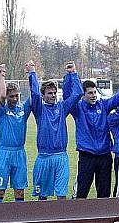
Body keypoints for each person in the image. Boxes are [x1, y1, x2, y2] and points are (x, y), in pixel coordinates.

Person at [67, 76, 119, 200]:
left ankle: (103, 218)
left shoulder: (103, 105)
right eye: (90, 93)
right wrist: (72, 75)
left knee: (104, 193)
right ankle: (77, 217)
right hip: (87, 155)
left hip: (104, 155)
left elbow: (114, 100)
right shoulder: (78, 108)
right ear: (83, 94)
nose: (93, 95)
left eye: (95, 92)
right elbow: (68, 96)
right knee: (81, 191)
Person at [29, 61, 83, 200]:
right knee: (42, 196)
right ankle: (42, 221)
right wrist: (32, 73)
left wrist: (73, 73)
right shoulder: (39, 109)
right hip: (44, 157)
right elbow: (34, 93)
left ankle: (61, 221)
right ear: (44, 95)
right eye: (49, 93)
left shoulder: (62, 107)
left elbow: (78, 93)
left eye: (54, 93)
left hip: (61, 157)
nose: (53, 95)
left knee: (61, 195)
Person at [0, 64, 31, 203]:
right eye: (11, 96)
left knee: (19, 190)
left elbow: (35, 95)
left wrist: (31, 73)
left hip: (19, 153)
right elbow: (0, 96)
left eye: (16, 96)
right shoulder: (1, 110)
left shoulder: (23, 109)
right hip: (3, 153)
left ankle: (19, 220)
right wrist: (1, 74)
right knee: (0, 190)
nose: (14, 98)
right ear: (6, 96)